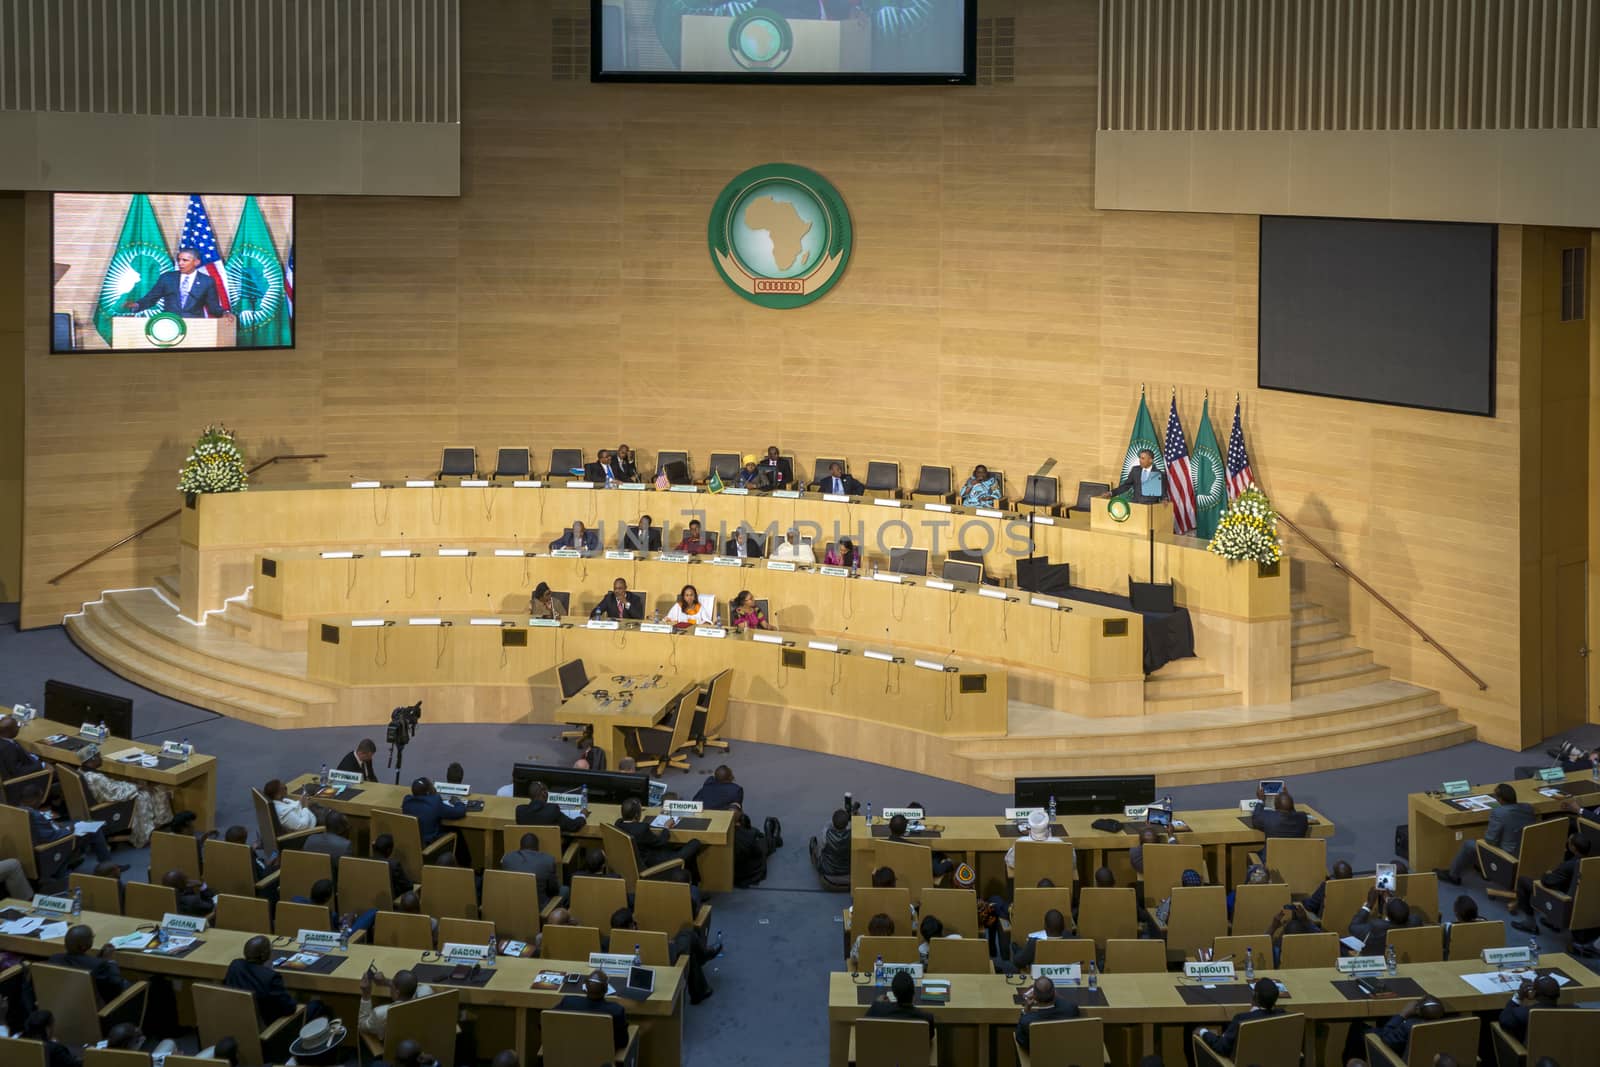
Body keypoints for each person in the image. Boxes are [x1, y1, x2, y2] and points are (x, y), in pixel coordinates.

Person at [608, 907, 722, 1004]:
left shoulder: (609, 943)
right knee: (687, 935)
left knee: (689, 951)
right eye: (634, 923)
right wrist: (667, 945)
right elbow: (658, 954)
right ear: (631, 926)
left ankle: (701, 990)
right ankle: (705, 954)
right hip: (660, 969)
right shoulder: (643, 940)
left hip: (629, 975)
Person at [1436, 784, 1538, 885]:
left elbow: (1490, 840)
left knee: (1469, 845)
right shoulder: (1528, 807)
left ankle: (1453, 875)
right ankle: (1483, 866)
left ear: (1501, 799)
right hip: (1526, 852)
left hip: (1509, 856)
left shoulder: (1499, 812)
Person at [77, 746, 174, 848]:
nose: (101, 758)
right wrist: (137, 787)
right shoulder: (96, 778)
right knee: (147, 794)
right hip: (109, 805)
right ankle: (143, 836)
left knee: (142, 785)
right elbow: (115, 793)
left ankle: (155, 825)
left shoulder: (81, 771)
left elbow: (111, 787)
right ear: (92, 759)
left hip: (102, 798)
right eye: (99, 756)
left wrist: (134, 784)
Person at [24, 781, 113, 877]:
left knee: (79, 821)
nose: (41, 802)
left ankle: (72, 860)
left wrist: (54, 823)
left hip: (49, 832)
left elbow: (41, 828)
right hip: (54, 843)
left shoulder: (20, 810)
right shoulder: (35, 816)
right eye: (40, 799)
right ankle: (109, 869)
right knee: (94, 829)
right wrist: (69, 829)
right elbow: (51, 837)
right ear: (33, 800)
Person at [1511, 833, 1591, 933]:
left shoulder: (1569, 866)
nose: (1567, 842)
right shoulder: (1591, 863)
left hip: (1562, 901)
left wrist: (1547, 874)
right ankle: (1554, 923)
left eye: (1569, 842)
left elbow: (1547, 882)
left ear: (1574, 848)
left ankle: (1529, 924)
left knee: (1522, 881)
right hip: (1580, 903)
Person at [615, 796, 705, 883]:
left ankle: (693, 885)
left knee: (685, 852)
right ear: (636, 815)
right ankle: (694, 885)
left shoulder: (618, 825)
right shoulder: (641, 829)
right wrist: (666, 827)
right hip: (656, 863)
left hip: (644, 857)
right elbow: (661, 842)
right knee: (695, 843)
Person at [122, 247, 229, 318]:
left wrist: (225, 313)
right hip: (169, 322)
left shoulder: (207, 281)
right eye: (179, 260)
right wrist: (136, 305)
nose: (180, 263)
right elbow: (151, 298)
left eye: (185, 260)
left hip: (195, 325)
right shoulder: (167, 278)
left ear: (196, 262)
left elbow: (213, 306)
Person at [1196, 977, 1282, 1058]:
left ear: (1254, 996)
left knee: (1191, 1030)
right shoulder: (1284, 1015)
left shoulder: (1242, 1020)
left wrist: (1203, 1032)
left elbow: (1221, 1047)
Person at [225, 935, 301, 1026]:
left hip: (238, 1023)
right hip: (269, 1028)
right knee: (316, 1006)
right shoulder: (270, 977)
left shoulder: (235, 965)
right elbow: (290, 1009)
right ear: (264, 955)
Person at [48, 924, 130, 1004]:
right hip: (97, 1012)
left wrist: (100, 959)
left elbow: (83, 963)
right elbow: (117, 987)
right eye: (92, 937)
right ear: (83, 947)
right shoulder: (99, 965)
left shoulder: (54, 959)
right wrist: (110, 961)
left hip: (64, 1007)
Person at [555, 970, 627, 1051]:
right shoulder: (616, 1010)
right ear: (606, 989)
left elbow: (549, 1023)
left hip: (570, 1051)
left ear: (585, 987)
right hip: (602, 1055)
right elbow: (622, 1042)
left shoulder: (568, 1002)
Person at [357, 968, 434, 1042]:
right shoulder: (427, 994)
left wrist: (366, 995)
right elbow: (412, 986)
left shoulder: (381, 1013)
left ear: (397, 992)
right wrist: (386, 982)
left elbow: (361, 1026)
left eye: (392, 986)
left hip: (394, 1050)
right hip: (422, 1042)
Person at [865, 970, 936, 1041]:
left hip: (885, 1051)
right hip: (912, 1051)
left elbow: (865, 1026)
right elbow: (930, 1038)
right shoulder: (927, 1018)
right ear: (914, 992)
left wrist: (878, 1003)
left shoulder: (876, 1009)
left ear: (894, 993)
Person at [1349, 889, 1423, 954]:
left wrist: (1369, 904)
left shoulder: (1377, 927)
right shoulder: (1416, 922)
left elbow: (1353, 927)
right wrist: (1391, 900)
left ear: (1386, 913)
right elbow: (1401, 912)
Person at [1015, 976, 1079, 1051]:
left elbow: (1021, 1041)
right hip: (1066, 1056)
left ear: (1034, 997)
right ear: (1055, 993)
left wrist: (1025, 1010)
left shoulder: (1026, 1021)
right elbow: (1066, 1004)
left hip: (1039, 1060)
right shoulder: (1071, 1009)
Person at [500, 832, 561, 910]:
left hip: (510, 905)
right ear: (537, 847)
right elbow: (554, 890)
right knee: (565, 890)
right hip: (538, 908)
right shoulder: (548, 860)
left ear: (520, 847)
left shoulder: (507, 858)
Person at [1498, 974, 1565, 1043]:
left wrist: (1518, 996)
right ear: (1559, 994)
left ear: (1534, 994)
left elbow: (1504, 1020)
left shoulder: (1524, 1014)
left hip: (1533, 1053)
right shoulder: (1572, 1013)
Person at [401, 778, 466, 847]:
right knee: (457, 832)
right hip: (429, 847)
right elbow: (459, 812)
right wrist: (458, 802)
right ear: (428, 792)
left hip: (412, 845)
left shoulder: (406, 801)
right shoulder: (434, 802)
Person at [1374, 996, 1445, 1055]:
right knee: (1383, 1020)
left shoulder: (1409, 1026)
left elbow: (1386, 1037)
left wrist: (1403, 1014)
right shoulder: (1445, 1024)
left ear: (1417, 1010)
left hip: (1398, 1055)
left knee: (1366, 1032)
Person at [1004, 810, 1064, 874]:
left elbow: (1009, 862)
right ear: (1048, 825)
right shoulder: (1060, 843)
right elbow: (1072, 864)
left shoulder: (1020, 842)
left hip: (1025, 882)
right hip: (1056, 883)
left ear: (1029, 825)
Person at [1010, 908, 1069, 972]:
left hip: (1040, 978)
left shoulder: (1034, 943)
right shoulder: (1073, 940)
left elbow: (1018, 962)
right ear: (1064, 926)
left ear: (1045, 927)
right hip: (1065, 975)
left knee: (1015, 948)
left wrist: (1017, 949)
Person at [516, 782, 588, 834]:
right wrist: (582, 815)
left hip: (527, 852)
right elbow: (574, 826)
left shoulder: (520, 811)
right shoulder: (552, 810)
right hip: (550, 853)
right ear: (544, 793)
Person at [810, 809, 852, 886]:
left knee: (819, 848)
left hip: (828, 873)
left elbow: (822, 848)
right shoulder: (851, 835)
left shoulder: (826, 833)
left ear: (833, 822)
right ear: (846, 824)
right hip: (848, 872)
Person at [0, 716, 49, 780]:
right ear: (8, 731)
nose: (19, 727)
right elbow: (17, 772)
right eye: (16, 727)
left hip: (31, 762)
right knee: (60, 774)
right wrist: (42, 765)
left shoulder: (6, 740)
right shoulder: (7, 748)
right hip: (26, 782)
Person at [369, 833, 412, 900]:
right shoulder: (394, 865)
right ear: (388, 850)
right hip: (391, 901)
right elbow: (408, 886)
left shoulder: (367, 861)